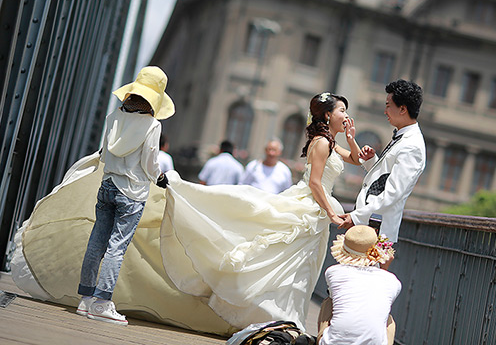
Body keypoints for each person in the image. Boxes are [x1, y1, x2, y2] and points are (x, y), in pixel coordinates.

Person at [9, 91, 366, 335]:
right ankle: (99, 299)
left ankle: (90, 295)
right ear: (326, 115)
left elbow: (355, 161)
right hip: (311, 208)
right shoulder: (320, 143)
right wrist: (334, 215)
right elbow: (317, 183)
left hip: (315, 213)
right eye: (341, 111)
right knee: (279, 258)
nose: (345, 115)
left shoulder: (332, 142)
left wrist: (352, 140)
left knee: (296, 266)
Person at [76, 66, 174, 325]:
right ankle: (102, 302)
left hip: (107, 184)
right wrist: (160, 178)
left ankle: (85, 299)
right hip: (132, 192)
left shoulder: (113, 116)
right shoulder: (152, 124)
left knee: (97, 241)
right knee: (116, 248)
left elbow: (105, 153)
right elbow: (150, 161)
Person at [341, 80, 426, 258]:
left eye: (388, 105)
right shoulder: (403, 137)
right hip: (371, 224)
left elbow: (393, 192)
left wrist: (356, 216)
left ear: (402, 109)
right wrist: (372, 160)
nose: (385, 111)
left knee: (363, 281)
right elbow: (385, 178)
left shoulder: (412, 146)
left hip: (377, 228)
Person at [317, 225, 400, 345]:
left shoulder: (332, 272)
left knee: (329, 302)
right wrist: (384, 268)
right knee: (388, 318)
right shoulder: (392, 280)